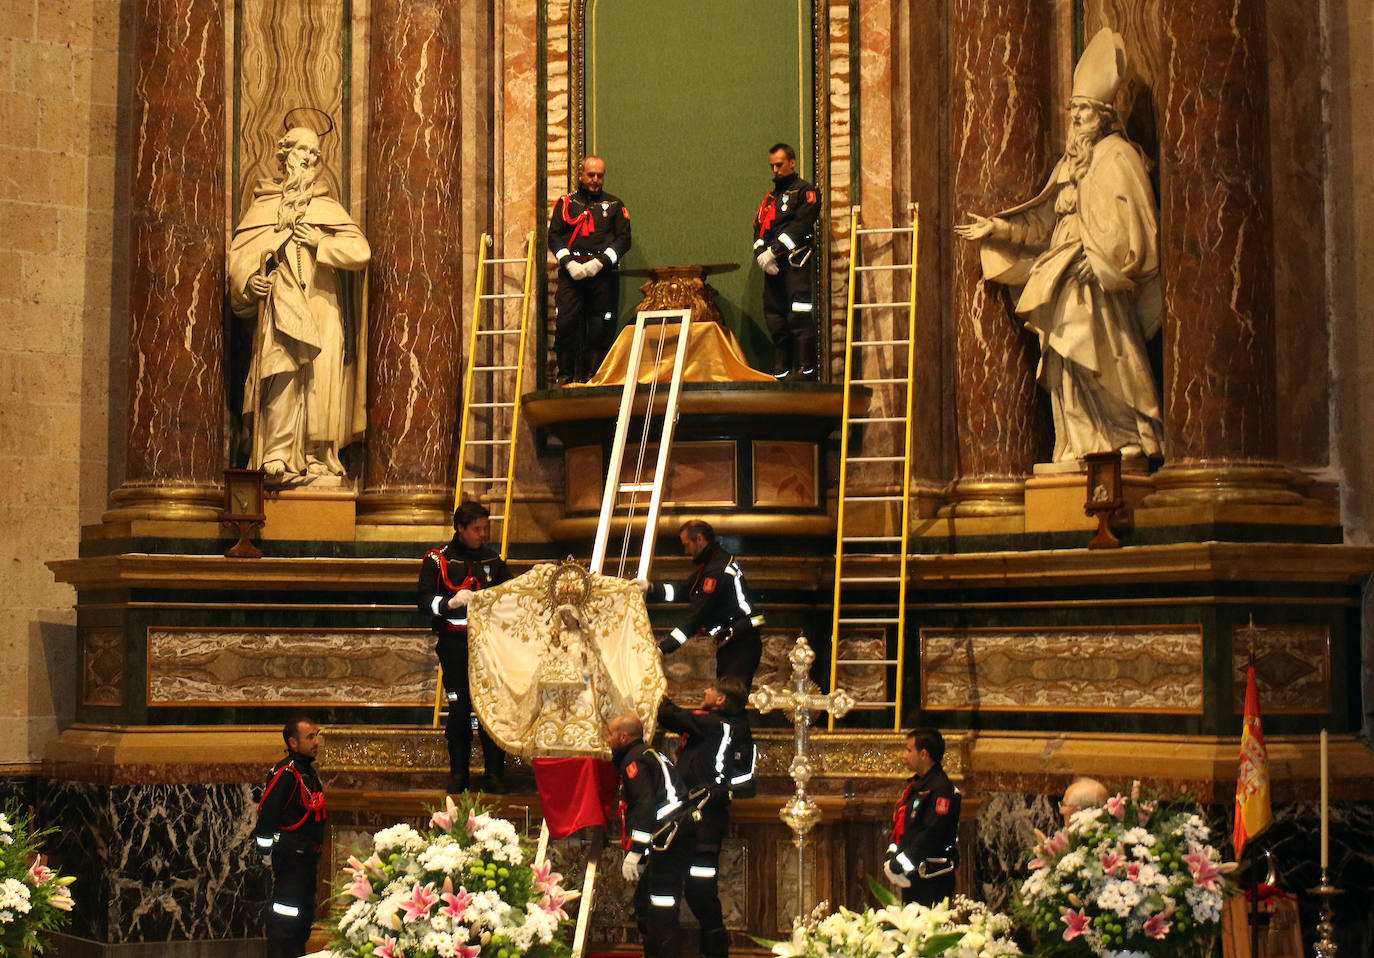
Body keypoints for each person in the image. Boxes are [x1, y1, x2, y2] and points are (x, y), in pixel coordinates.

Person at [954, 29, 1162, 464]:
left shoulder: (1120, 157)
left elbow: (1139, 224)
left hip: (1099, 279)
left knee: (1106, 358)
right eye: (1074, 112)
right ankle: (1080, 441)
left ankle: (1123, 436)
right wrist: (998, 228)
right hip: (1062, 271)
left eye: (1085, 113)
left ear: (1104, 117)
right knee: (1065, 356)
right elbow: (1044, 219)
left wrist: (1105, 261)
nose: (1077, 120)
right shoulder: (1071, 164)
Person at [229, 124, 371, 479]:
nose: (308, 159)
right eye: (302, 151)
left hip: (323, 306)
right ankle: (275, 452)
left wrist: (321, 243)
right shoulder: (263, 207)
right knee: (280, 374)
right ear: (284, 156)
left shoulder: (327, 207)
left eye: (314, 154)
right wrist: (251, 282)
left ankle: (315, 456)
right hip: (280, 308)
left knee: (320, 380)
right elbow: (240, 258)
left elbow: (361, 251)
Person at [656, 677, 755, 958]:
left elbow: (671, 716)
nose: (704, 690)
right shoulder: (738, 728)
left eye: (710, 689)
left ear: (721, 700)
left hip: (698, 824)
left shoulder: (713, 723)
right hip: (708, 822)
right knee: (701, 892)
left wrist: (652, 688)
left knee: (690, 892)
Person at [418, 500, 513, 793]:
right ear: (460, 529)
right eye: (476, 529)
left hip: (490, 650)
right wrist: (449, 603)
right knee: (460, 709)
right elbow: (423, 602)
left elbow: (511, 598)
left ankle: (494, 774)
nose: (482, 534)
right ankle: (459, 774)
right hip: (455, 646)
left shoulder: (493, 561)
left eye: (485, 528)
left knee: (492, 710)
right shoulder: (438, 560)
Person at [636, 520, 765, 689]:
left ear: (699, 539)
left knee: (729, 701)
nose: (686, 551)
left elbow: (695, 618)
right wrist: (651, 588)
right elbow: (682, 590)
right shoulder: (714, 563)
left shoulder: (717, 571)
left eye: (687, 545)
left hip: (741, 644)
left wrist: (663, 648)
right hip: (735, 641)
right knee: (727, 698)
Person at [609, 712, 694, 958]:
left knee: (661, 911)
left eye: (611, 734)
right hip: (672, 836)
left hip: (670, 839)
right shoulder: (648, 754)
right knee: (646, 905)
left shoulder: (634, 761)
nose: (608, 740)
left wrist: (636, 852)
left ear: (623, 737)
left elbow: (645, 807)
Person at [547, 155, 632, 385]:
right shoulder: (567, 204)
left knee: (599, 327)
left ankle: (594, 377)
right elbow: (554, 237)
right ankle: (565, 377)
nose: (595, 180)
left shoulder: (615, 206)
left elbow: (624, 241)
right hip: (571, 276)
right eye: (591, 175)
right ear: (581, 174)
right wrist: (569, 263)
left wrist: (600, 262)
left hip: (602, 278)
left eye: (600, 175)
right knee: (565, 324)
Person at [254, 715, 327, 958]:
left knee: (302, 923)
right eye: (310, 737)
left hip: (306, 860)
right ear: (293, 743)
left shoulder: (308, 772)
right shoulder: (287, 773)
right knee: (285, 923)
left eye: (317, 735)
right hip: (291, 862)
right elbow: (268, 813)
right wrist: (267, 849)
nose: (316, 741)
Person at [752, 142, 821, 380]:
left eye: (779, 164)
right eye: (772, 165)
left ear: (792, 162)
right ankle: (780, 372)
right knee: (775, 319)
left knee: (799, 317)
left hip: (795, 265)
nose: (775, 170)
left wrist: (775, 250)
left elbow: (801, 226)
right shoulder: (770, 198)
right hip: (772, 270)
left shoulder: (806, 192)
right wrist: (761, 254)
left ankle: (806, 371)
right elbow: (759, 227)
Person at [884, 726, 961, 906]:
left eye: (909, 750)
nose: (904, 756)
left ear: (924, 754)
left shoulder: (941, 790)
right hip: (913, 876)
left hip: (932, 879)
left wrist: (900, 863)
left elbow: (931, 833)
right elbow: (904, 828)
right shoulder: (917, 787)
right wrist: (891, 856)